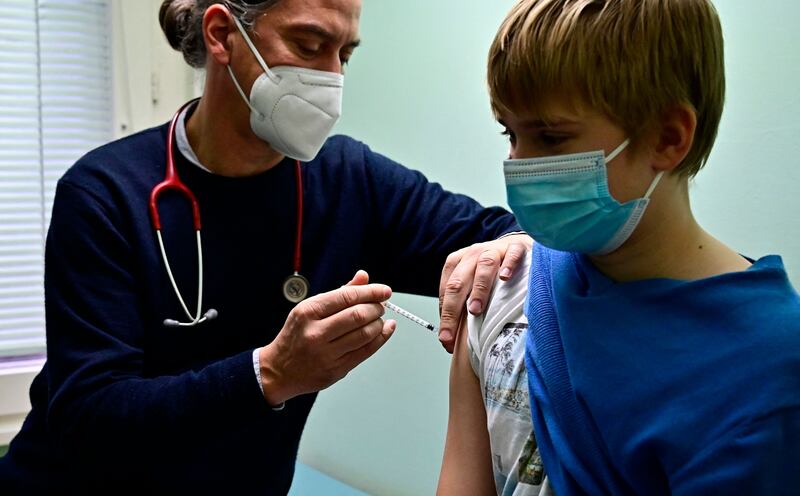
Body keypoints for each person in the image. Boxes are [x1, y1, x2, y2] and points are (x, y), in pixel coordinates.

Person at [0, 0, 531, 492]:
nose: (332, 77)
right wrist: (270, 374)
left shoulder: (349, 180)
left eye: (344, 54)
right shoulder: (105, 195)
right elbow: (89, 417)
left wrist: (508, 247)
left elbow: (502, 235)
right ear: (221, 35)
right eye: (308, 45)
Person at [439, 0, 800, 494]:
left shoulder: (766, 369)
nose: (519, 168)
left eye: (550, 136)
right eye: (511, 134)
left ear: (668, 139)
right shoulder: (506, 286)